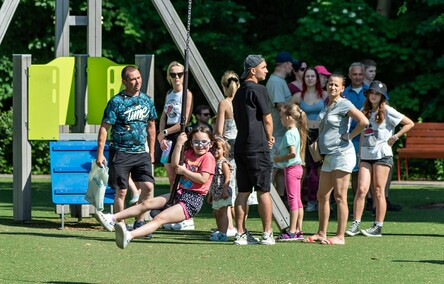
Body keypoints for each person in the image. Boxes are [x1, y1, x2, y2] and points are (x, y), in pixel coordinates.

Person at [94, 127, 216, 249]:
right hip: (180, 192)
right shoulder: (189, 153)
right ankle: (111, 218)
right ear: (191, 142)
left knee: (159, 218)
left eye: (204, 142)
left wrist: (184, 171)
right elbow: (174, 164)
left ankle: (129, 235)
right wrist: (178, 144)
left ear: (211, 144)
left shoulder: (208, 158)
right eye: (196, 142)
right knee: (146, 204)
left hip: (192, 200)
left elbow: (203, 179)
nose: (200, 145)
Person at [303, 73, 368, 245]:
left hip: (342, 154)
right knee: (322, 195)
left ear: (342, 88)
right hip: (328, 156)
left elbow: (363, 121)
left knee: (340, 196)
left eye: (336, 85)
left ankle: (340, 236)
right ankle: (321, 233)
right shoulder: (327, 104)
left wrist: (350, 135)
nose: (332, 87)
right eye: (330, 84)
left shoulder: (344, 103)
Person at [346, 81, 414, 237]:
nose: (373, 96)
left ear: (382, 96)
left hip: (383, 155)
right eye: (371, 93)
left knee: (378, 191)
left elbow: (409, 123)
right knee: (361, 189)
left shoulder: (388, 111)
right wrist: (360, 150)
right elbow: (363, 131)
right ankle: (355, 224)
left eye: (377, 93)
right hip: (365, 155)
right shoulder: (365, 110)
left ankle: (377, 226)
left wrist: (395, 137)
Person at [95, 65, 157, 231]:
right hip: (121, 151)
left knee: (148, 187)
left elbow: (151, 126)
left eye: (139, 78)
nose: (137, 82)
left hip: (141, 151)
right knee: (121, 191)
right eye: (132, 79)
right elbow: (104, 128)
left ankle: (139, 221)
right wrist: (100, 153)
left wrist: (151, 151)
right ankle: (120, 224)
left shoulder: (147, 100)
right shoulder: (116, 102)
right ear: (124, 81)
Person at [233, 54, 275, 245]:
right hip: (257, 147)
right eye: (263, 67)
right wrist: (269, 138)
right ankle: (267, 233)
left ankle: (240, 234)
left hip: (240, 145)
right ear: (253, 70)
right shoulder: (259, 89)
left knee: (242, 191)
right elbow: (267, 118)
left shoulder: (239, 91)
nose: (266, 70)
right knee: (263, 190)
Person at [157, 61, 194, 230]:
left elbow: (183, 122)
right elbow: (164, 116)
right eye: (173, 74)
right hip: (167, 136)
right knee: (171, 178)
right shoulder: (169, 93)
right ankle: (173, 213)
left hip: (178, 134)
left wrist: (165, 133)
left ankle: (184, 215)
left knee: (180, 175)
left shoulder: (186, 94)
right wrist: (161, 134)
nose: (177, 77)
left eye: (180, 74)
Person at [289, 67, 327, 212]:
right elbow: (287, 111)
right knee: (302, 168)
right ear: (303, 79)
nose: (310, 78)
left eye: (313, 76)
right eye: (307, 76)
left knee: (321, 170)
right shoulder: (298, 96)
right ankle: (298, 201)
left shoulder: (324, 95)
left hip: (321, 134)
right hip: (304, 134)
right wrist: (296, 123)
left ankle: (323, 201)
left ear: (317, 79)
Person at [266, 51, 297, 205]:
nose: (292, 68)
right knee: (273, 167)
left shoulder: (280, 81)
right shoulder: (276, 81)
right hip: (276, 132)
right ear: (286, 65)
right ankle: (267, 197)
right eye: (291, 65)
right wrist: (296, 116)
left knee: (279, 168)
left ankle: (279, 200)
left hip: (280, 132)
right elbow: (280, 105)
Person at [273, 103, 307, 241]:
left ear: (288, 117)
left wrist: (278, 158)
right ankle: (298, 229)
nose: (281, 121)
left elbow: (292, 153)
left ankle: (292, 231)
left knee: (292, 200)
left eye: (281, 118)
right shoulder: (296, 131)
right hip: (298, 168)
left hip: (291, 168)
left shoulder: (289, 133)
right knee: (297, 200)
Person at [342, 62, 369, 196]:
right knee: (352, 172)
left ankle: (369, 202)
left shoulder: (371, 91)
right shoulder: (344, 93)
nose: (357, 77)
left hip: (369, 137)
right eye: (354, 74)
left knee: (367, 171)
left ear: (364, 75)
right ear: (349, 75)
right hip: (349, 137)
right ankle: (354, 202)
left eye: (360, 74)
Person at [208, 136, 234, 242]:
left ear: (224, 150)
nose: (215, 150)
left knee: (223, 213)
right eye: (213, 148)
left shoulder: (223, 163)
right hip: (215, 192)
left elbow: (228, 177)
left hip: (223, 191)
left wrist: (224, 190)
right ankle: (219, 231)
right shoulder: (212, 162)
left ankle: (223, 234)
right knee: (216, 212)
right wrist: (210, 194)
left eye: (218, 148)